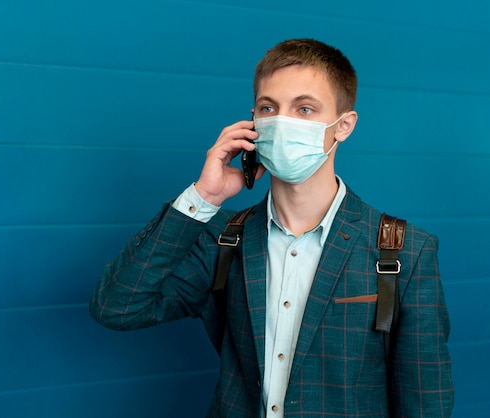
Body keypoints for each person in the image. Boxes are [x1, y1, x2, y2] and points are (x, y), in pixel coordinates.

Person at [89, 39, 454, 417]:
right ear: (253, 123)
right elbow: (116, 307)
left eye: (305, 108)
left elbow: (425, 400)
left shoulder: (404, 251)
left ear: (343, 126)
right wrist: (204, 197)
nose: (282, 122)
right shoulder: (224, 239)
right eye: (269, 108)